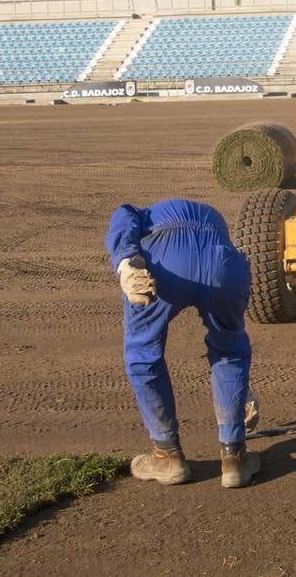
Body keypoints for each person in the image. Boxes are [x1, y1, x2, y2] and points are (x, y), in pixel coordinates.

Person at [105, 197, 261, 489]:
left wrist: (125, 262)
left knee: (143, 354)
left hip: (165, 263)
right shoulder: (207, 213)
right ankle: (235, 459)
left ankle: (167, 456)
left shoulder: (135, 213)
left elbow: (122, 217)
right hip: (224, 262)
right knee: (230, 352)